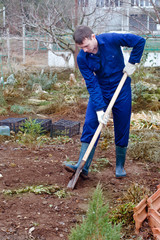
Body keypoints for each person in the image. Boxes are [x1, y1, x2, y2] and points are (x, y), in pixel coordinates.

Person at [64, 25, 146, 179]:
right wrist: (100, 109)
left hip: (121, 88)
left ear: (93, 37)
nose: (85, 50)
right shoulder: (82, 58)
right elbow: (91, 84)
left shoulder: (111, 39)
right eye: (82, 48)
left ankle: (120, 166)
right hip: (100, 90)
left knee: (122, 125)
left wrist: (132, 63)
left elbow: (139, 41)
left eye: (87, 45)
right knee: (90, 123)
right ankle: (83, 166)